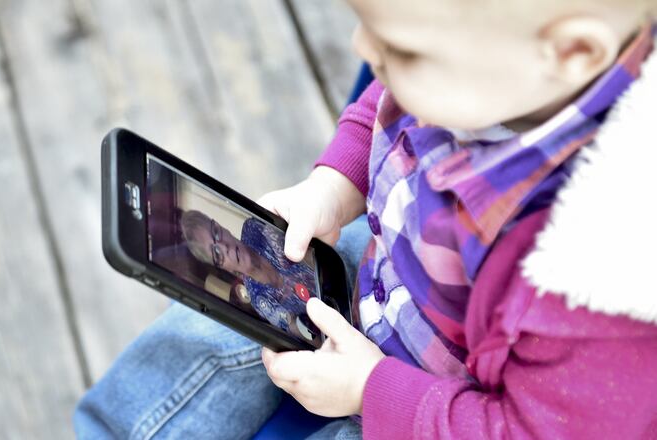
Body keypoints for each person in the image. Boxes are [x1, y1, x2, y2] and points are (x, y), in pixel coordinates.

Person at [75, 0, 657, 438]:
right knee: (216, 316)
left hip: (449, 405)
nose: (363, 48)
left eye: (401, 51)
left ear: (574, 52)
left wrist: (369, 390)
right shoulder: (492, 68)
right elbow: (385, 101)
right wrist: (334, 186)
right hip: (392, 266)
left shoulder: (597, 279)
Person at [179, 210, 318, 341]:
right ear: (221, 266)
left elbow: (307, 247)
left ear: (221, 227)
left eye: (216, 232)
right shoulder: (259, 299)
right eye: (216, 253)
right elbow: (309, 336)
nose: (224, 247)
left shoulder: (254, 228)